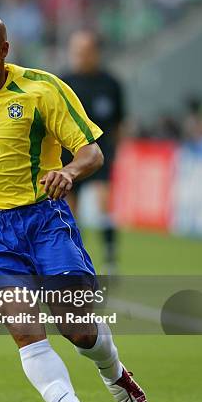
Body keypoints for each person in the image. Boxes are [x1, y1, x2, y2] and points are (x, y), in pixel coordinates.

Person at [0, 14, 147, 402]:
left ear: (4, 50)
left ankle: (115, 372)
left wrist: (68, 171)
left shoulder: (42, 89)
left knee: (78, 330)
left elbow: (92, 152)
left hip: (44, 220)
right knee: (26, 329)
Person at [61, 31, 126, 273]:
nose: (80, 56)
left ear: (95, 52)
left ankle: (110, 260)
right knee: (69, 211)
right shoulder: (63, 82)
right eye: (76, 51)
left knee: (103, 204)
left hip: (100, 153)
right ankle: (76, 260)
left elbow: (119, 122)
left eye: (85, 51)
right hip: (68, 156)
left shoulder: (111, 84)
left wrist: (114, 153)